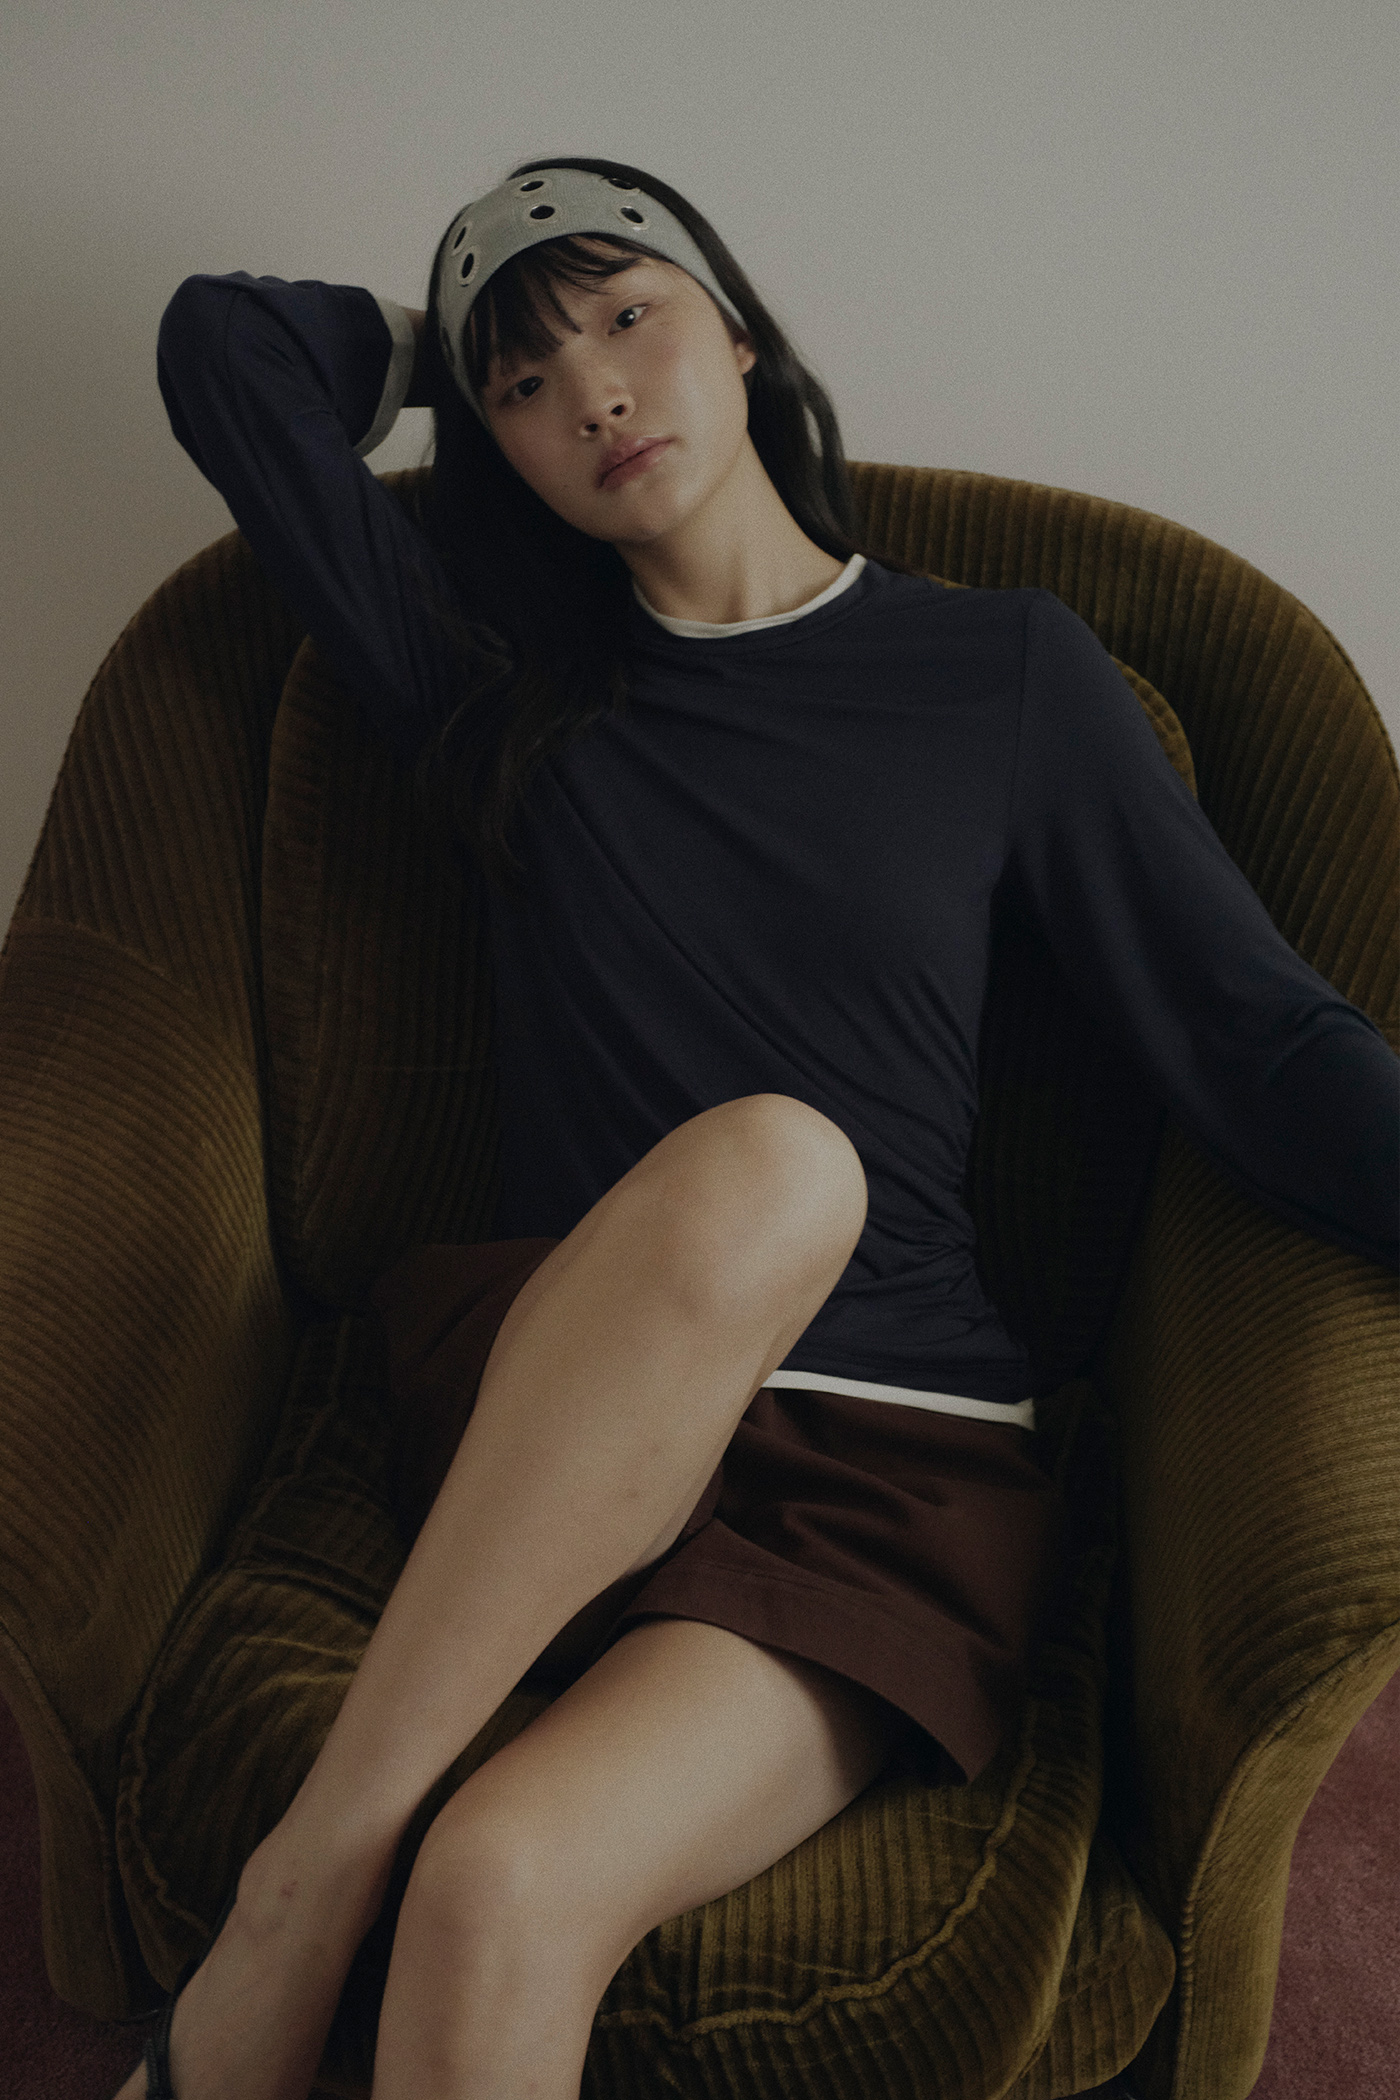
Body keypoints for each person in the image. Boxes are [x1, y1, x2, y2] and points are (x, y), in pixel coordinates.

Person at [117, 156, 1400, 2100]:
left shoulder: (1002, 671)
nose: (594, 393)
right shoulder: (497, 689)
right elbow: (221, 355)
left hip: (880, 1472)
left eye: (626, 315)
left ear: (735, 329)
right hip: (563, 1417)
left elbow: (1254, 1036)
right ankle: (303, 1895)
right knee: (769, 1165)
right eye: (524, 382)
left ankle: (318, 1898)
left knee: (503, 1884)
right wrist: (433, 351)